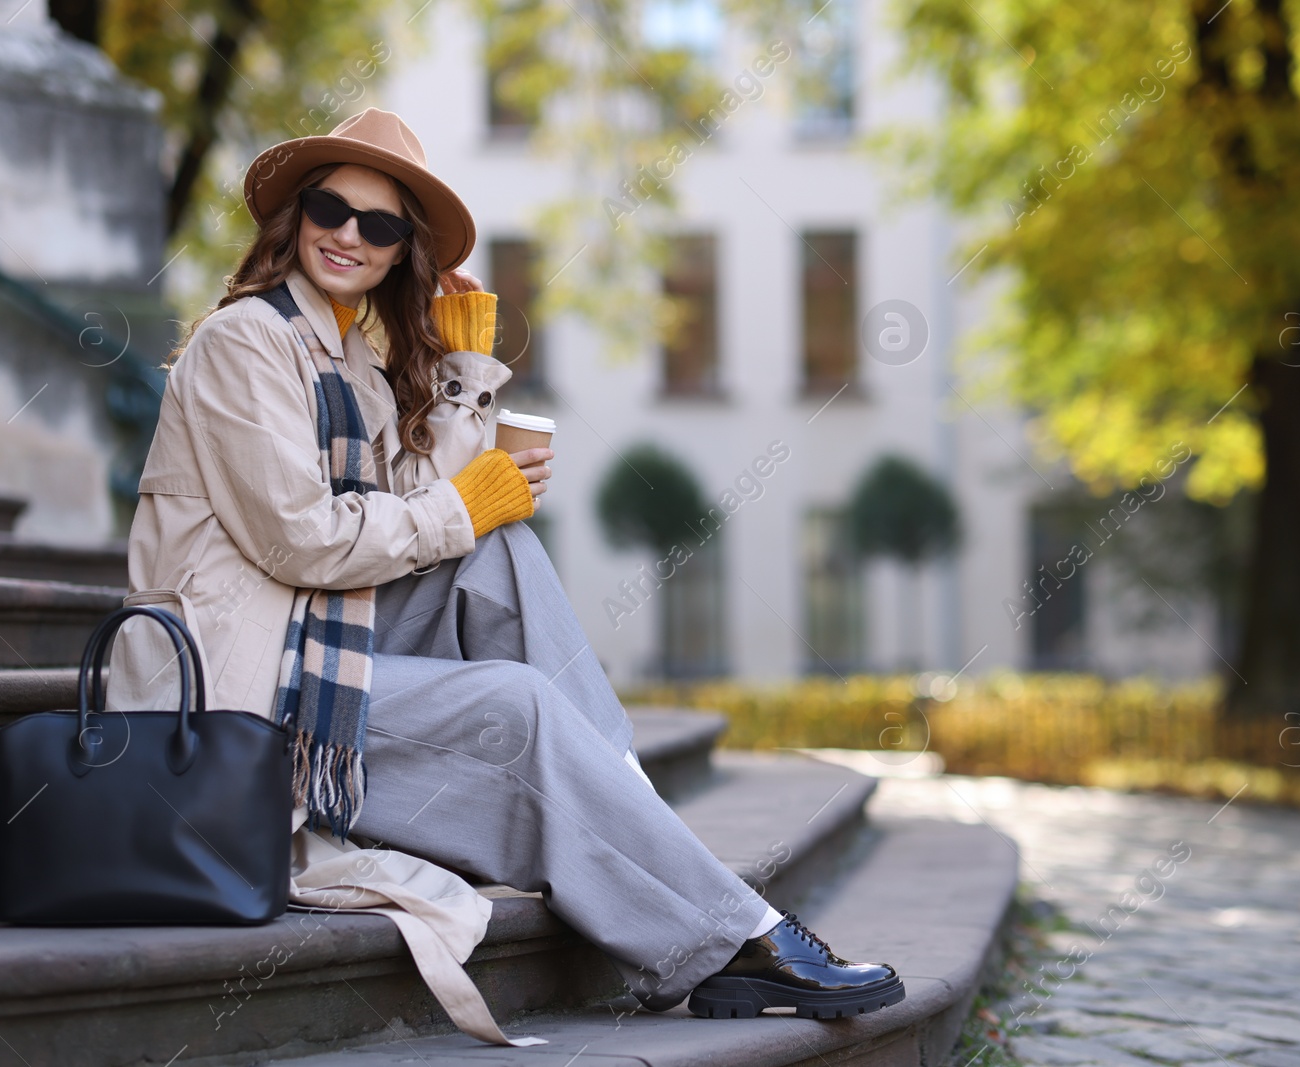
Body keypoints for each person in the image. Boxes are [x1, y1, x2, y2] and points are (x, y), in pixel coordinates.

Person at [114, 107, 904, 1022]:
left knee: (499, 548)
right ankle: (734, 935)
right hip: (233, 689)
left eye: (381, 225)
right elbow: (307, 537)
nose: (349, 236)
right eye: (332, 208)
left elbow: (424, 503)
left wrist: (465, 370)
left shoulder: (353, 362)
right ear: (295, 217)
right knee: (513, 699)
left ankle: (616, 786)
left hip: (306, 641)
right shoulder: (242, 342)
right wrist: (467, 500)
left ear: (402, 251)